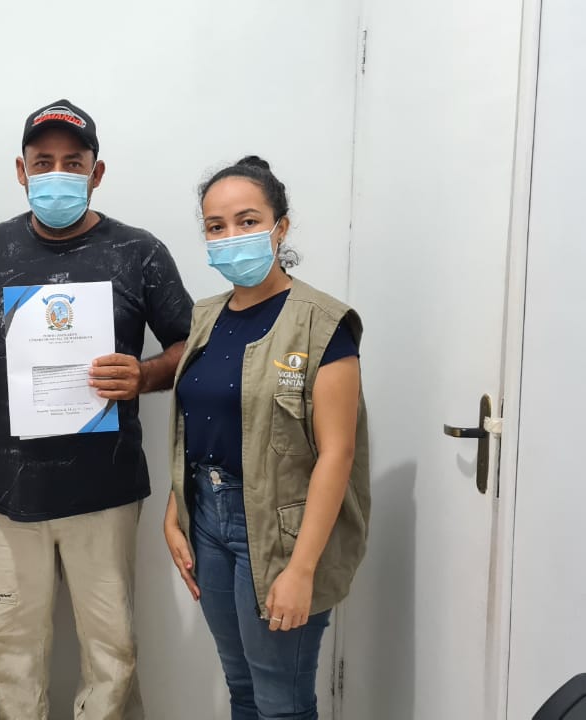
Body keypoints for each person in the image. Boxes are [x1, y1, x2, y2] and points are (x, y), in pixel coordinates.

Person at [0, 99, 193, 719]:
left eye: (73, 162)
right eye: (43, 162)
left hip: (105, 489)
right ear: (21, 170)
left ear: (97, 172)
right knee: (6, 648)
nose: (57, 174)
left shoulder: (139, 251)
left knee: (112, 651)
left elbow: (191, 346)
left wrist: (144, 374)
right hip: (13, 492)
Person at [163, 156, 371, 720]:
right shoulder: (206, 317)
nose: (231, 236)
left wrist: (301, 570)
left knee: (282, 701)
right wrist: (175, 511)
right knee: (241, 686)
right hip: (208, 521)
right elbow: (199, 423)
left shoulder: (322, 323)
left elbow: (337, 454)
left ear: (281, 227)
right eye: (216, 226)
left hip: (283, 531)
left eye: (248, 221)